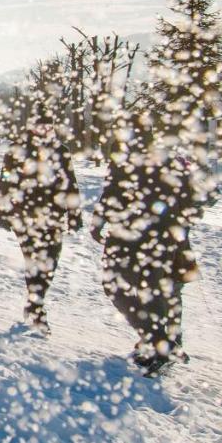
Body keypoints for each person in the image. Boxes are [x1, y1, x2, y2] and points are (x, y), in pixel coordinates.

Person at [91, 133, 204, 375]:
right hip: (159, 240)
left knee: (131, 289)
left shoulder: (134, 158)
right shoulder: (165, 160)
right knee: (159, 292)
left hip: (138, 240)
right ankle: (162, 342)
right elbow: (192, 202)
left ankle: (160, 344)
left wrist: (99, 222)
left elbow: (111, 192)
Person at [0, 122, 83, 329]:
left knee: (50, 261)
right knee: (33, 261)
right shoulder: (16, 149)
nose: (44, 129)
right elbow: (6, 180)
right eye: (40, 125)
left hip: (52, 217)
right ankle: (36, 308)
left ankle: (35, 302)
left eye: (48, 125)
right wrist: (2, 210)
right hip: (24, 216)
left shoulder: (61, 151)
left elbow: (70, 182)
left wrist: (74, 214)